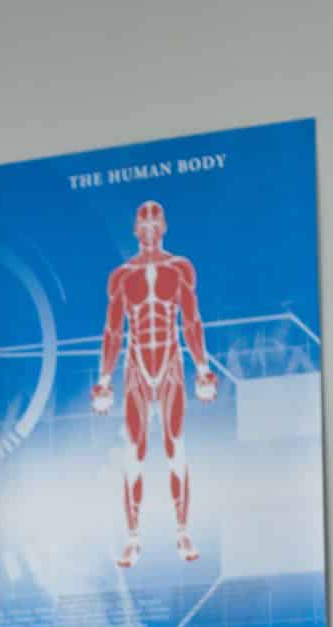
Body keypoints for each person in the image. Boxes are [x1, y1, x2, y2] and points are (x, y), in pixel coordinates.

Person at [89, 199, 219, 570]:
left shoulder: (179, 268)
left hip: (170, 363)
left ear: (164, 226)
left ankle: (182, 531)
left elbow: (192, 321)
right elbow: (113, 330)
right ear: (134, 229)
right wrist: (103, 381)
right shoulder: (122, 275)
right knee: (135, 452)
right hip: (136, 368)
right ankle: (133, 539)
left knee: (176, 445)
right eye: (142, 221)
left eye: (154, 219)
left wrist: (202, 369)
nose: (148, 226)